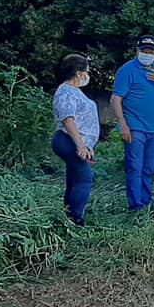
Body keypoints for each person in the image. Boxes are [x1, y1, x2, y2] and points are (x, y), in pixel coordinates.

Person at [112, 35, 154, 211]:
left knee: (148, 168)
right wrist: (123, 124)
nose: (147, 53)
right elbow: (116, 98)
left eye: (151, 51)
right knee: (135, 166)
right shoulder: (127, 70)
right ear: (137, 51)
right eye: (144, 50)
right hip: (135, 127)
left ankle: (146, 201)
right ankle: (136, 206)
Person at [51, 54, 98, 226]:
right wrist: (80, 145)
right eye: (86, 71)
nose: (87, 75)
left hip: (74, 141)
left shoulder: (73, 91)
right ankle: (75, 219)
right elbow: (68, 119)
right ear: (79, 73)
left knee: (74, 177)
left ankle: (68, 214)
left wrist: (87, 144)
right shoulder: (66, 92)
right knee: (84, 179)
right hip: (68, 140)